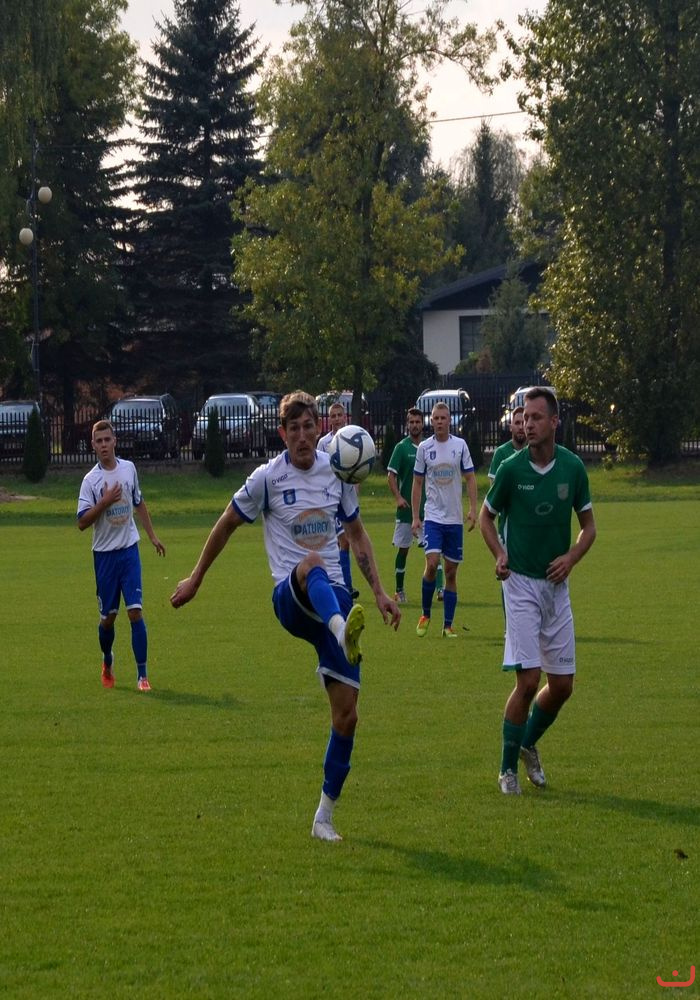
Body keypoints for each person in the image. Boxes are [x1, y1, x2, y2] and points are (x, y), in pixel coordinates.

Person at [170, 391, 400, 842]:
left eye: (308, 427)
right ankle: (341, 630)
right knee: (312, 563)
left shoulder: (336, 473)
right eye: (293, 429)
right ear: (282, 434)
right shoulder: (267, 478)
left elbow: (356, 534)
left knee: (347, 716)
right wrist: (196, 578)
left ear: (319, 429)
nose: (302, 436)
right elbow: (226, 523)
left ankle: (323, 817)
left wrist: (379, 592)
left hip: (335, 597)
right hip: (291, 597)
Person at [479, 386, 596, 795]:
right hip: (521, 585)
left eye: (535, 417)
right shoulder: (511, 469)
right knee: (528, 681)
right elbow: (486, 518)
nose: (527, 424)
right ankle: (506, 770)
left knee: (562, 686)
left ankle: (527, 743)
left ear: (554, 422)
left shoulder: (573, 468)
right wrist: (499, 554)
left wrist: (571, 558)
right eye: (524, 417)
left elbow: (589, 528)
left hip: (556, 588)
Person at [77, 419, 165, 691]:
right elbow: (82, 522)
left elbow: (139, 502)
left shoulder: (129, 469)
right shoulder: (90, 481)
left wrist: (152, 536)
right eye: (99, 441)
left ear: (115, 441)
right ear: (93, 446)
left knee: (135, 611)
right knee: (108, 618)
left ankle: (142, 675)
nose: (104, 445)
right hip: (104, 556)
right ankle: (107, 659)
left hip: (129, 551)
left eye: (107, 439)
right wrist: (104, 502)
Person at [411, 402, 478, 638]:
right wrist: (415, 516)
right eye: (436, 418)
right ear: (431, 421)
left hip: (454, 519)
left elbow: (470, 478)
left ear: (449, 420)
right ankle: (425, 614)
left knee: (450, 573)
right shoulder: (424, 448)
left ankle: (447, 626)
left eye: (443, 418)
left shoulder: (460, 446)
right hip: (433, 517)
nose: (439, 421)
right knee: (431, 564)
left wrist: (473, 509)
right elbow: (417, 482)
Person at [386, 407, 444, 604]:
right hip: (406, 512)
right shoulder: (401, 448)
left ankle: (440, 589)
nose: (415, 425)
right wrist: (398, 498)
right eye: (411, 422)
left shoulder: (429, 447)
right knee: (403, 550)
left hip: (429, 510)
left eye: (418, 421)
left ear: (422, 423)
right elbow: (391, 476)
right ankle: (399, 590)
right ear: (407, 424)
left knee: (434, 551)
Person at [317, 401, 358, 598]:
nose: (336, 419)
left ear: (345, 417)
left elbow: (357, 468)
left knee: (345, 541)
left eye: (339, 415)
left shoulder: (351, 437)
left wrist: (355, 492)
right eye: (332, 416)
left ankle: (339, 583)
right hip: (331, 498)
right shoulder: (323, 443)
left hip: (347, 497)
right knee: (343, 541)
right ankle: (346, 586)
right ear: (329, 419)